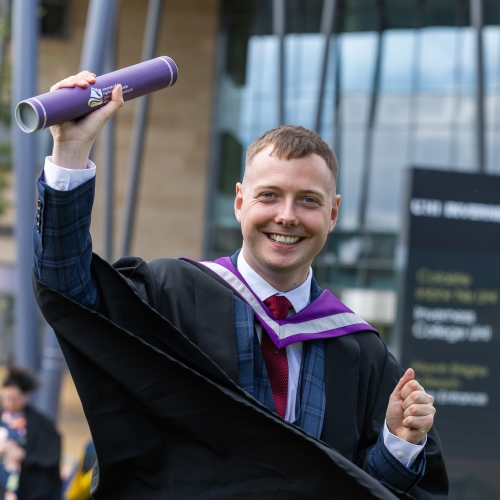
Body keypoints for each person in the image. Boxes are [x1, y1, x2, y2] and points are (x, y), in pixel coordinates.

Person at [32, 73, 447, 499]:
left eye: (308, 200)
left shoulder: (362, 354)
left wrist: (398, 443)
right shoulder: (168, 295)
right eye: (269, 195)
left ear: (334, 213)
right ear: (239, 202)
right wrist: (71, 150)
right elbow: (67, 291)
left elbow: (363, 490)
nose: (287, 216)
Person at [0, 368, 61, 500]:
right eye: (5, 398)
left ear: (25, 396)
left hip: (24, 486)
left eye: (14, 398)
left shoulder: (40, 423)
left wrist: (25, 456)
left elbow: (50, 455)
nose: (9, 403)